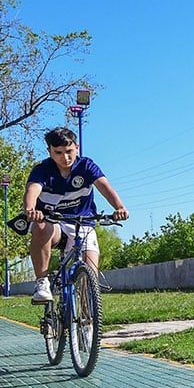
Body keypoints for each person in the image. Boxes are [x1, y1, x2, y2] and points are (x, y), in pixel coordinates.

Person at [24, 127, 128, 303]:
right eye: (58, 152)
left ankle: (88, 322)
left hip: (83, 223)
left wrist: (119, 207)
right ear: (49, 151)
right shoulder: (43, 170)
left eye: (69, 151)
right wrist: (30, 209)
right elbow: (32, 189)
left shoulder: (86, 166)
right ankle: (42, 283)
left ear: (77, 148)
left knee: (90, 276)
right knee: (40, 227)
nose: (65, 157)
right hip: (54, 223)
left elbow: (104, 186)